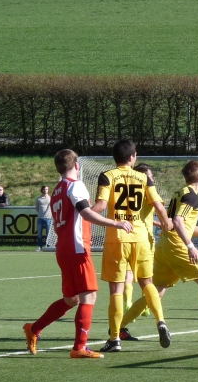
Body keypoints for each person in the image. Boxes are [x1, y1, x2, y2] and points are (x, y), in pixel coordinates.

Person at [23, 149, 133, 359]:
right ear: (77, 165)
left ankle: (34, 329)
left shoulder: (57, 190)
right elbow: (86, 213)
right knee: (89, 295)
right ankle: (79, 347)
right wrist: (116, 223)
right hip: (77, 248)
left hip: (63, 249)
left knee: (71, 299)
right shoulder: (75, 185)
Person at [138, 160, 198, 341]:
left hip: (164, 246)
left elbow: (183, 226)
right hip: (177, 247)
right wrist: (190, 246)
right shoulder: (191, 196)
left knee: (155, 292)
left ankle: (120, 326)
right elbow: (177, 222)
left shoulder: (180, 193)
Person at [92, 140, 172, 353]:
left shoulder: (107, 176)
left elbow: (100, 206)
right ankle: (160, 321)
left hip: (117, 238)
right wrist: (166, 221)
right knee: (147, 283)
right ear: (132, 157)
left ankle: (114, 339)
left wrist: (83, 212)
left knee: (116, 290)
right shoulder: (144, 177)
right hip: (142, 238)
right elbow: (157, 205)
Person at [117, 163, 162, 323]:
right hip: (144, 239)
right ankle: (146, 306)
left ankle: (128, 302)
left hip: (126, 236)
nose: (152, 179)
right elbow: (159, 208)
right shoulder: (148, 191)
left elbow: (142, 216)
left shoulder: (128, 191)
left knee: (128, 274)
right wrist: (166, 222)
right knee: (147, 278)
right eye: (150, 176)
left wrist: (157, 223)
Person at [35, 186, 52, 251]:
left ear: (48, 190)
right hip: (40, 218)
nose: (45, 190)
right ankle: (39, 246)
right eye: (44, 189)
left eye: (46, 189)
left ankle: (48, 246)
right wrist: (40, 213)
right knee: (39, 233)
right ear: (42, 190)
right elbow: (37, 208)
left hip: (48, 218)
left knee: (48, 233)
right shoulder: (38, 199)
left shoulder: (50, 198)